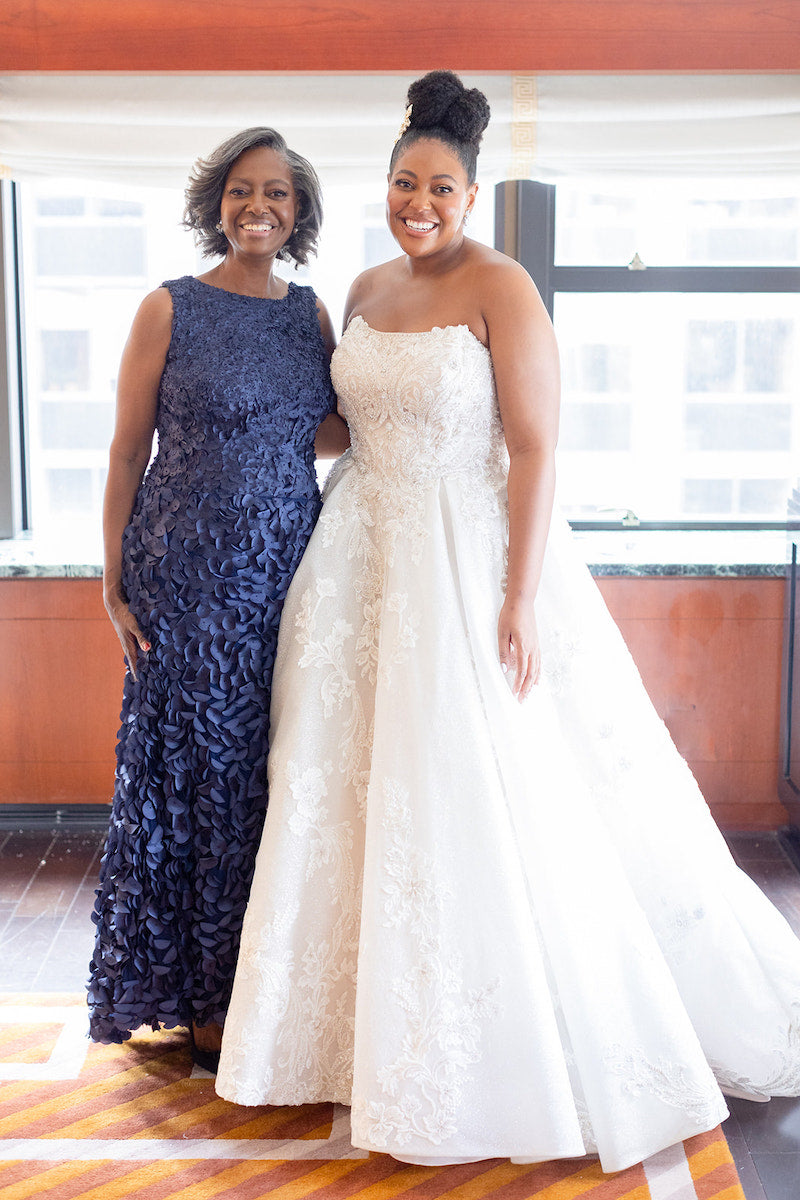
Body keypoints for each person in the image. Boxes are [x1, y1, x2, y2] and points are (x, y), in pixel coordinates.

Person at [215, 76, 800, 1170]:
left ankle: (502, 1044)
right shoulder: (360, 284)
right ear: (382, 187)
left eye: (439, 186)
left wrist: (517, 597)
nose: (417, 202)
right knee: (342, 788)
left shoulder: (502, 285)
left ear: (471, 194)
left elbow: (534, 449)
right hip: (358, 558)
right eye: (401, 182)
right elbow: (340, 422)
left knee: (474, 785)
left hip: (466, 556)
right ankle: (347, 1039)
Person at [87, 126, 348, 1068]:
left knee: (273, 774)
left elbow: (319, 433)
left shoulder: (311, 316)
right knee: (205, 779)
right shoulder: (170, 307)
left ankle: (268, 984)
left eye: (276, 194)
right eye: (242, 192)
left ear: (299, 212)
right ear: (216, 204)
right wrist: (110, 576)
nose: (257, 209)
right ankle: (200, 995)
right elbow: (125, 450)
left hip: (288, 570)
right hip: (186, 576)